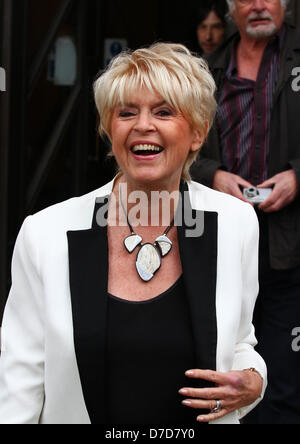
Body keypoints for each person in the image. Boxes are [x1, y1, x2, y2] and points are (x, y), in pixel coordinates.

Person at [0, 43, 266, 425]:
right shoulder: (45, 234)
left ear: (197, 132)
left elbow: (240, 340)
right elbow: (19, 376)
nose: (143, 125)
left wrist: (255, 379)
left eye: (163, 111)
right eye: (126, 112)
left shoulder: (236, 222)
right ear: (110, 130)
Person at [191, 0, 300, 424]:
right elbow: (178, 141)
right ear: (229, 7)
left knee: (283, 381)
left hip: (287, 247)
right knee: (218, 364)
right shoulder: (205, 68)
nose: (258, 5)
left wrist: (297, 177)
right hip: (218, 242)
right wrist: (213, 175)